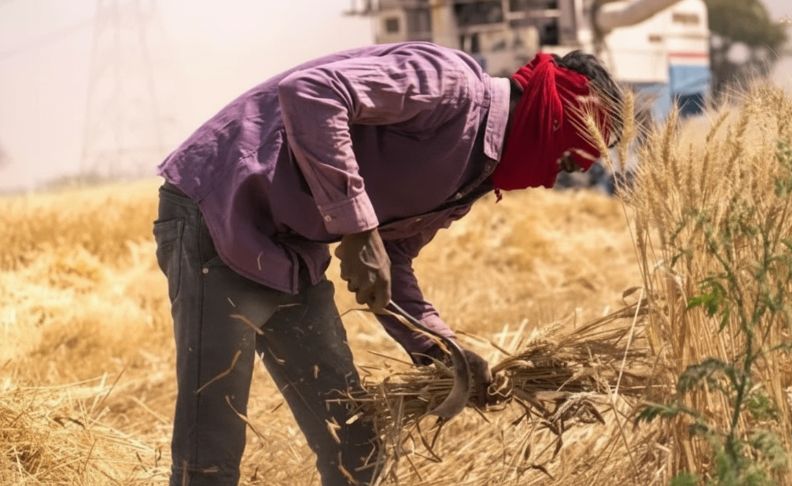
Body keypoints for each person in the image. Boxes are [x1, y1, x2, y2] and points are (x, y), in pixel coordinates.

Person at [152, 41, 620, 486]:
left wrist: (441, 351)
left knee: (355, 443)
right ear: (556, 117)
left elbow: (389, 258)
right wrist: (357, 228)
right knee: (211, 450)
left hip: (293, 252)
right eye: (573, 160)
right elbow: (312, 92)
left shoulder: (474, 175)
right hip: (219, 212)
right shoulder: (450, 83)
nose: (563, 177)